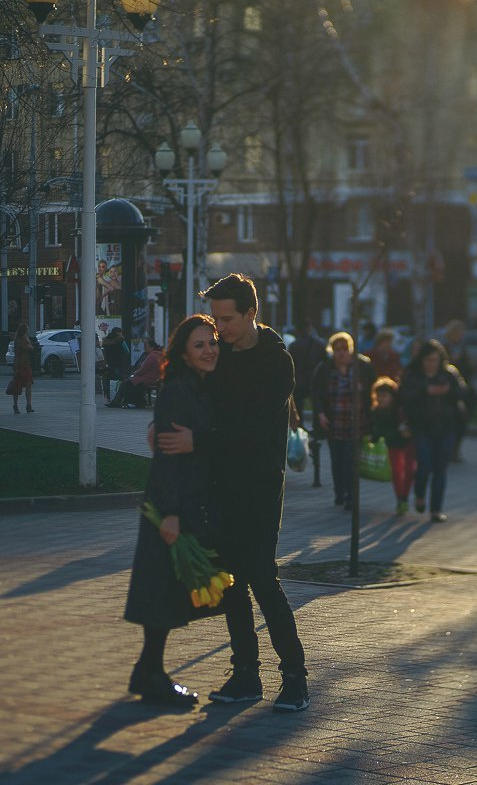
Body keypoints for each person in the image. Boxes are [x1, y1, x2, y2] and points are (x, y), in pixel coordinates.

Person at [157, 273, 309, 712]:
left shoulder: (277, 362)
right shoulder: (219, 356)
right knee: (230, 585)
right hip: (219, 489)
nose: (218, 327)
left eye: (227, 319)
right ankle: (245, 675)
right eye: (215, 318)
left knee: (263, 580)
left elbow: (255, 431)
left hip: (259, 489)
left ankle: (295, 678)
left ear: (250, 313)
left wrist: (198, 442)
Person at [124, 314, 223, 707]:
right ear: (183, 351)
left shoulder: (202, 386)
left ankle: (148, 671)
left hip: (186, 502)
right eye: (199, 344)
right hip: (170, 505)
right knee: (161, 589)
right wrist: (169, 512)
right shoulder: (177, 390)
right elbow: (166, 457)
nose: (209, 349)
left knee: (165, 590)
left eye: (212, 342)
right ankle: (152, 676)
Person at [400, 338, 464, 523]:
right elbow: (405, 396)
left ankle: (436, 509)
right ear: (422, 360)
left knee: (440, 469)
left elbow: (463, 393)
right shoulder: (413, 374)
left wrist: (448, 390)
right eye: (429, 360)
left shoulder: (449, 374)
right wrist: (425, 390)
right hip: (422, 427)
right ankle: (420, 495)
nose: (432, 364)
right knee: (424, 465)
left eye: (436, 360)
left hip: (446, 427)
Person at [310, 331, 376, 511]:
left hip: (356, 423)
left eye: (345, 349)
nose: (341, 353)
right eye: (337, 349)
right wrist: (320, 414)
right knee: (337, 460)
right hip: (334, 423)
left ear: (351, 350)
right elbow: (316, 394)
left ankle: (351, 496)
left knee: (350, 460)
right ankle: (339, 491)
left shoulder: (361, 367)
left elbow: (372, 391)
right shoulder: (325, 369)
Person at [370, 377, 415, 516]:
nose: (381, 399)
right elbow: (377, 429)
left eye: (384, 396)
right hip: (392, 444)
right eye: (379, 396)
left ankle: (405, 496)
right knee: (396, 471)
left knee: (409, 470)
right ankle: (400, 498)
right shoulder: (377, 411)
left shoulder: (399, 410)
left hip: (407, 442)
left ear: (392, 396)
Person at [440, 319, 474, 462]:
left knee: (462, 421)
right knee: (449, 422)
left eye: (461, 332)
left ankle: (456, 449)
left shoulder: (462, 348)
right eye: (456, 332)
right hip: (447, 390)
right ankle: (447, 450)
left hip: (461, 388)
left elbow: (469, 368)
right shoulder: (444, 348)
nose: (459, 335)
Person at [287, 319, 327, 423]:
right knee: (317, 406)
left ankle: (299, 427)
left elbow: (290, 365)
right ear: (310, 328)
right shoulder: (319, 345)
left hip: (299, 380)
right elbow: (325, 363)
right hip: (316, 379)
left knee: (298, 406)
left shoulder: (294, 346)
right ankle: (316, 430)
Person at [110, 338, 163, 408]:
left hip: (149, 378)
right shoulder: (159, 354)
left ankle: (120, 402)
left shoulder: (152, 356)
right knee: (128, 381)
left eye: (146, 346)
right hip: (154, 377)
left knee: (127, 382)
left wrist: (135, 373)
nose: (144, 348)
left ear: (152, 347)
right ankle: (117, 401)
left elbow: (143, 369)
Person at [5, 322, 35, 414]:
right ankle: (15, 405)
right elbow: (18, 354)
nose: (28, 331)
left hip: (27, 365)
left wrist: (28, 341)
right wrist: (16, 367)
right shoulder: (18, 341)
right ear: (24, 331)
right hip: (20, 365)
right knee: (17, 387)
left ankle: (29, 404)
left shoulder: (26, 340)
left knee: (29, 385)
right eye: (27, 330)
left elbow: (32, 348)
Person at [102, 326, 130, 406]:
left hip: (109, 363)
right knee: (118, 380)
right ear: (118, 332)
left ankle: (109, 398)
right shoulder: (121, 340)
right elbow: (127, 350)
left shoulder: (106, 340)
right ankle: (117, 399)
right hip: (119, 362)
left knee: (110, 379)